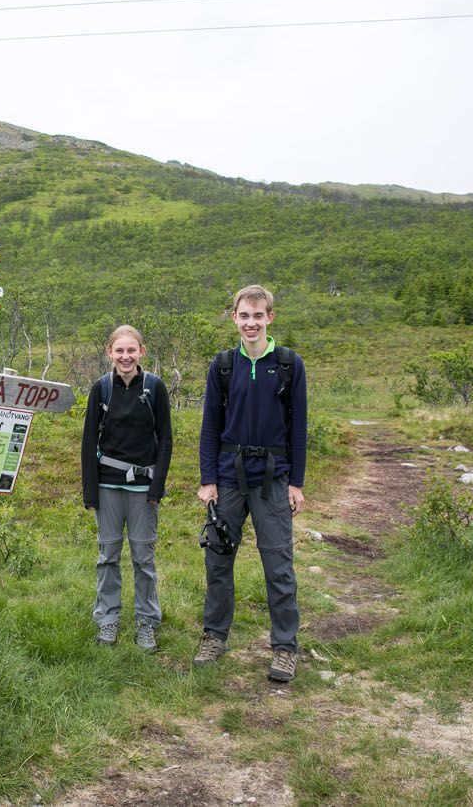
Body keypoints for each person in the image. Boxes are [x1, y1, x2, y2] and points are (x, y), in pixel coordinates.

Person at [194, 285, 307, 681]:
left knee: (278, 563)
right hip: (228, 477)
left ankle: (284, 647)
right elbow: (210, 426)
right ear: (234, 318)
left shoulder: (290, 364)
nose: (251, 323)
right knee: (219, 558)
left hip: (274, 478)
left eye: (258, 316)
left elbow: (298, 427)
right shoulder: (223, 366)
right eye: (244, 316)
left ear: (270, 318)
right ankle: (214, 635)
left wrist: (296, 482)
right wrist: (208, 480)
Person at [81, 325, 173, 652]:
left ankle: (146, 621)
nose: (125, 356)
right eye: (119, 351)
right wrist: (90, 491)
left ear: (141, 352)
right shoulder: (101, 389)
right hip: (107, 487)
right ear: (110, 353)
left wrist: (156, 487)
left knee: (143, 558)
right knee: (107, 556)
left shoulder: (156, 388)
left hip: (143, 489)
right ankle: (107, 618)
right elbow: (89, 440)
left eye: (131, 350)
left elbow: (165, 441)